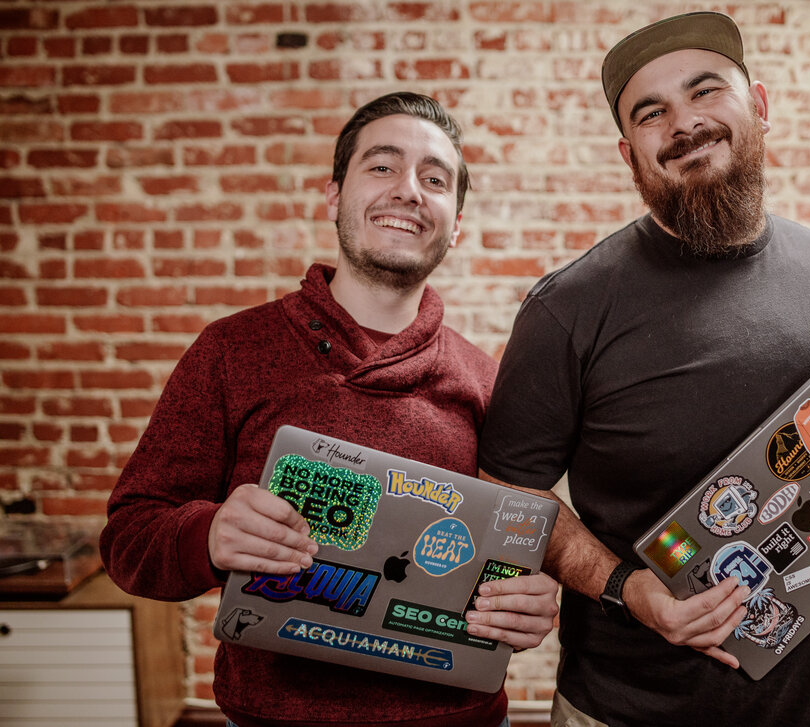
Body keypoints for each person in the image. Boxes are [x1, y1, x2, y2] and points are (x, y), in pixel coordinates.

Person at [476, 12, 810, 727]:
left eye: (706, 92)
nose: (685, 123)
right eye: (652, 113)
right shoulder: (568, 308)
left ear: (759, 106)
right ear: (627, 152)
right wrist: (627, 587)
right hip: (628, 712)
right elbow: (508, 493)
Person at [100, 91, 559, 727]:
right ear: (333, 197)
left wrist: (527, 602)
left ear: (456, 224)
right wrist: (207, 534)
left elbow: (510, 560)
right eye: (381, 166)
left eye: (434, 178)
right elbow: (128, 539)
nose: (408, 190)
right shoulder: (231, 351)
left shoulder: (488, 383)